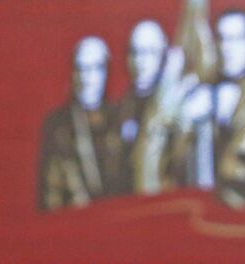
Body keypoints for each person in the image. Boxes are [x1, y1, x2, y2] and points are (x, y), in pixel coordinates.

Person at [171, 9, 245, 206]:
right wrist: (186, 122)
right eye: (223, 39)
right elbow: (175, 164)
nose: (228, 47)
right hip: (200, 210)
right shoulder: (199, 94)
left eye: (236, 39)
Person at [37, 36, 119, 210]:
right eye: (80, 69)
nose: (86, 78)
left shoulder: (120, 117)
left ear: (106, 72)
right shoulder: (57, 125)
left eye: (95, 68)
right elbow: (51, 191)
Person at [113, 20, 168, 195]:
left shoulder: (172, 109)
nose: (140, 61)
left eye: (150, 52)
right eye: (135, 52)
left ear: (163, 56)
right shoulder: (119, 109)